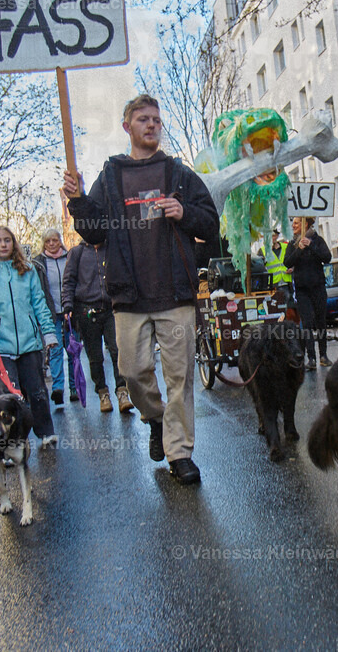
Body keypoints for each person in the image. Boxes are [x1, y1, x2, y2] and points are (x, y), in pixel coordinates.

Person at [62, 93, 220, 485]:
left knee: (180, 377)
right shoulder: (112, 176)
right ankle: (154, 417)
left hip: (176, 293)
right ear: (127, 127)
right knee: (132, 370)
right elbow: (94, 231)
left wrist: (186, 213)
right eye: (143, 119)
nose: (151, 125)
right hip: (128, 296)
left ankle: (180, 453)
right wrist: (79, 201)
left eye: (156, 119)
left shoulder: (178, 173)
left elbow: (211, 223)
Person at [0, 226, 58, 447]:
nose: (3, 245)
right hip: (2, 347)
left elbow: (39, 303)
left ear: (14, 243)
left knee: (37, 391)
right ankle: (12, 442)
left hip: (30, 343)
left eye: (7, 240)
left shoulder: (27, 271)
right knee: (9, 399)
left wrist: (48, 332)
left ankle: (46, 432)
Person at [61, 239, 134, 414]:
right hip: (87, 311)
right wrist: (68, 306)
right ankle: (103, 392)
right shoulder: (77, 253)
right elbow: (69, 281)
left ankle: (122, 391)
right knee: (95, 357)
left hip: (111, 309)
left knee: (118, 351)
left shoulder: (111, 248)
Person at [34, 229, 76, 405]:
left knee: (72, 349)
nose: (51, 243)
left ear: (60, 241)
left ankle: (74, 387)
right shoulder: (38, 264)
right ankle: (58, 388)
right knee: (56, 348)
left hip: (70, 310)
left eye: (54, 240)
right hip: (51, 313)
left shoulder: (70, 258)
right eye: (48, 241)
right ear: (44, 243)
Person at [285, 216, 332, 369]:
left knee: (320, 322)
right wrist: (299, 249)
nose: (293, 226)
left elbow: (327, 257)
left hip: (318, 287)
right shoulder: (292, 243)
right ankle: (310, 358)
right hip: (302, 290)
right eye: (293, 223)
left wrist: (311, 246)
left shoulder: (317, 240)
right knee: (307, 323)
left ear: (305, 224)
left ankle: (323, 355)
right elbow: (287, 262)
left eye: (296, 223)